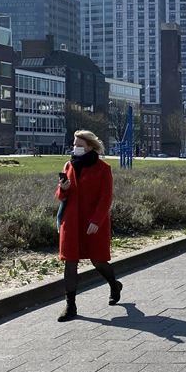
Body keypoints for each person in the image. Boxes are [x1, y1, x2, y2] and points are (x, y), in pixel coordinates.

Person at [55, 130, 120, 322]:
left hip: (92, 222)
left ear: (90, 147)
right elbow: (61, 196)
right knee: (70, 261)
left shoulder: (103, 168)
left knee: (98, 260)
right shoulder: (69, 165)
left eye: (79, 145)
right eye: (74, 144)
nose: (75, 148)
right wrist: (63, 189)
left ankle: (114, 285)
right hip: (71, 221)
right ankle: (70, 306)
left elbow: (106, 198)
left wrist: (96, 220)